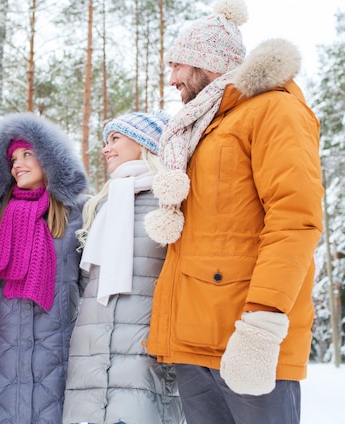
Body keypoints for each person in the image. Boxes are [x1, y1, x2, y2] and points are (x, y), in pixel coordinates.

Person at [143, 0, 324, 423]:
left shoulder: (274, 110)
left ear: (207, 62)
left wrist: (261, 325)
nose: (172, 79)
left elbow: (294, 220)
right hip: (195, 343)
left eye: (179, 65)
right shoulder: (201, 128)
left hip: (248, 342)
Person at [62, 111, 186, 424]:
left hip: (145, 359)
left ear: (144, 143)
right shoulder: (101, 206)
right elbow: (83, 283)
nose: (105, 149)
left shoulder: (170, 202)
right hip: (90, 357)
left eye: (115, 138)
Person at [0, 112, 88, 424]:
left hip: (57, 343)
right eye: (12, 159)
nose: (18, 164)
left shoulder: (80, 212)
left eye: (27, 154)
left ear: (50, 158)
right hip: (5, 343)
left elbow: (91, 282)